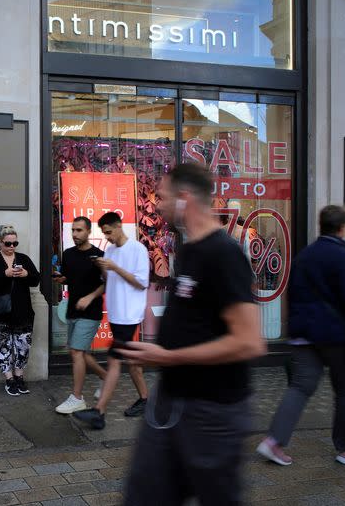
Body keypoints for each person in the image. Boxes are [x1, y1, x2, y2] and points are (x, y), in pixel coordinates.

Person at [118, 163, 266, 505]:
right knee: (144, 494)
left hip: (212, 411)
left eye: (164, 197)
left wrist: (169, 357)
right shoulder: (190, 250)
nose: (157, 205)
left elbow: (249, 341)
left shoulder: (224, 254)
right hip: (171, 401)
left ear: (185, 199)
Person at [257, 205, 345, 467]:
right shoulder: (343, 256)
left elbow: (291, 293)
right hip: (335, 335)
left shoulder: (305, 256)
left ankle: (273, 442)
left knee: (300, 387)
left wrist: (291, 328)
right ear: (342, 228)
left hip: (303, 335)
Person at [72, 212, 149, 430]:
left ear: (118, 227)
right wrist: (104, 271)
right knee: (133, 363)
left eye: (108, 232)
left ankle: (99, 412)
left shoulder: (138, 249)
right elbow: (110, 282)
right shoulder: (111, 250)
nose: (107, 237)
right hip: (116, 314)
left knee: (114, 361)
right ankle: (145, 399)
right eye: (104, 234)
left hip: (129, 315)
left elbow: (141, 283)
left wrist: (115, 268)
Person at [53, 216, 108, 414]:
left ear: (88, 232)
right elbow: (69, 276)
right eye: (73, 230)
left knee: (76, 352)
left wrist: (90, 297)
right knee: (79, 352)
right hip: (72, 310)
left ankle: (77, 398)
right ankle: (105, 377)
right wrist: (62, 279)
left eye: (79, 230)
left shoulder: (98, 255)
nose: (75, 234)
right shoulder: (68, 254)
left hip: (91, 312)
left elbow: (107, 283)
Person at [0, 226, 41, 396]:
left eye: (15, 243)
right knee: (4, 348)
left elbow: (36, 280)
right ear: (0, 243)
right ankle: (9, 380)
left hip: (23, 312)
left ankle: (19, 378)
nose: (12, 246)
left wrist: (26, 274)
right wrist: (4, 274)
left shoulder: (23, 259)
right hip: (1, 313)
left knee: (23, 347)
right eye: (8, 243)